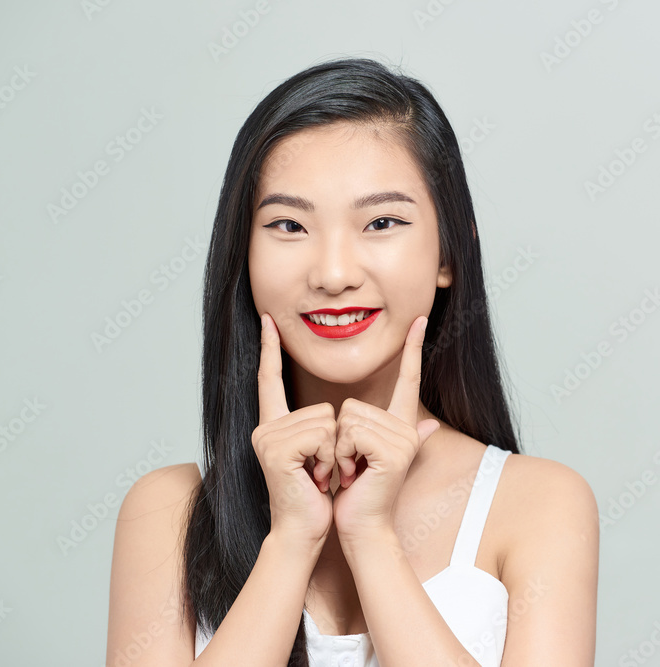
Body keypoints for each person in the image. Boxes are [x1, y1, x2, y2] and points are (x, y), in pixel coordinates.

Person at [105, 57, 599, 666]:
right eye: (289, 225)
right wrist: (291, 540)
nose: (334, 274)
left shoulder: (539, 504)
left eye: (382, 222)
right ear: (245, 257)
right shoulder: (168, 515)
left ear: (449, 253)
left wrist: (372, 539)